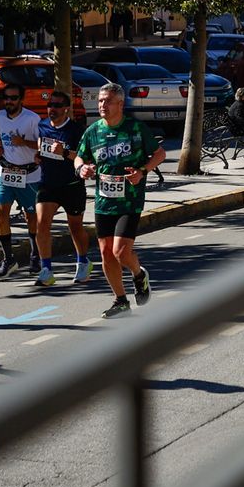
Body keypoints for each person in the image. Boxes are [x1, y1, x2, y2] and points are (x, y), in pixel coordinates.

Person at [75, 84, 164, 317]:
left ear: (120, 104)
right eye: (100, 101)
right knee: (105, 253)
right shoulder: (93, 131)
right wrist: (82, 169)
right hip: (104, 201)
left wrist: (142, 172)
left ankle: (138, 274)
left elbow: (160, 154)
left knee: (121, 252)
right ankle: (120, 301)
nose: (102, 105)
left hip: (130, 200)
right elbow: (79, 157)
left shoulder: (135, 128)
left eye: (108, 101)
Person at [35, 91, 91, 287]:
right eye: (50, 105)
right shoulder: (41, 125)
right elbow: (41, 145)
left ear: (66, 109)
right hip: (47, 183)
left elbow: (84, 157)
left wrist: (64, 152)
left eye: (57, 105)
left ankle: (83, 261)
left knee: (75, 227)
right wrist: (38, 154)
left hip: (71, 185)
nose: (53, 109)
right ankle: (46, 269)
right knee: (41, 224)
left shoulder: (76, 130)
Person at [0, 86, 42, 277]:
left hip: (29, 173)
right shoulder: (0, 116)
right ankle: (8, 259)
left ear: (21, 99)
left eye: (13, 98)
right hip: (6, 171)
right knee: (1, 213)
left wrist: (24, 143)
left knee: (31, 217)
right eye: (6, 98)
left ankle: (35, 255)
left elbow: (41, 144)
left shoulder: (32, 118)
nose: (9, 102)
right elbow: (1, 140)